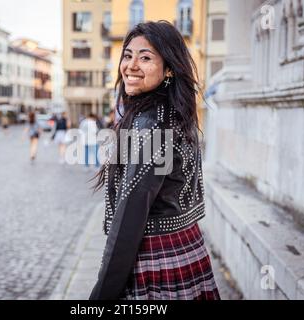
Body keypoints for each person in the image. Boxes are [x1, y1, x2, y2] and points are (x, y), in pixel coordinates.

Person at [90, 21, 220, 300]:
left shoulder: (152, 124)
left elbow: (128, 220)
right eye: (127, 55)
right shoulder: (176, 112)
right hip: (186, 248)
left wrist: (100, 297)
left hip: (156, 258)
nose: (131, 65)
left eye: (145, 57)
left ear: (169, 68)